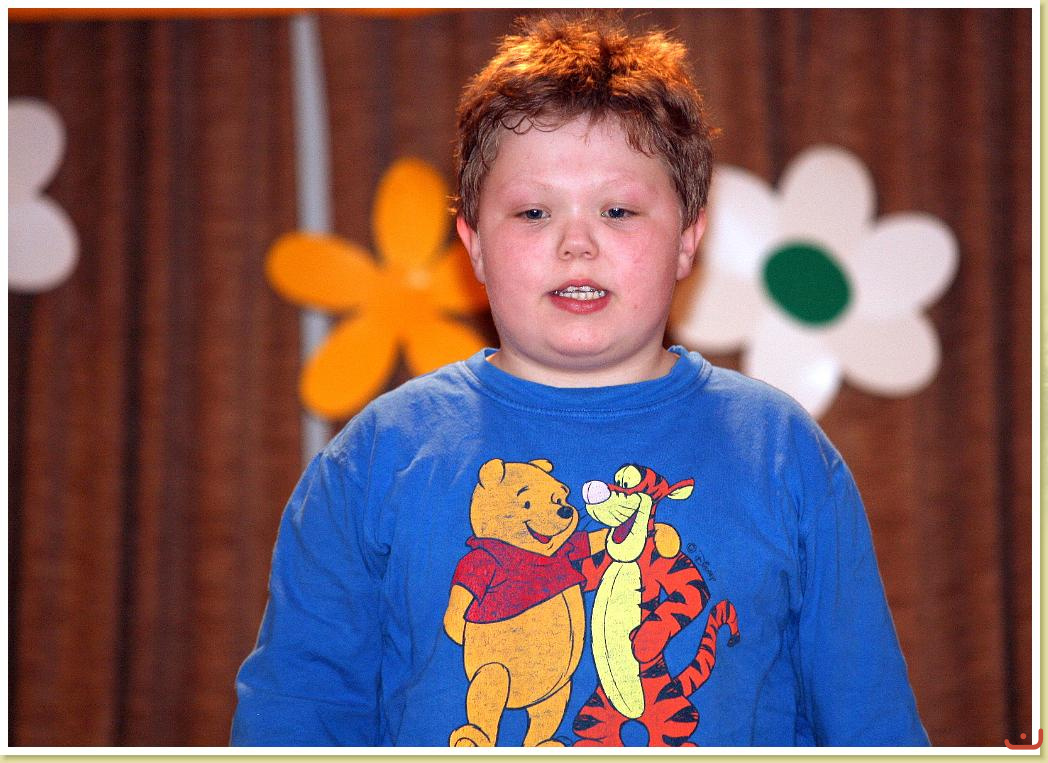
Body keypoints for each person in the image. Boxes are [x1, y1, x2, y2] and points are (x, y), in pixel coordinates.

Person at [231, 12, 928, 747]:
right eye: (533, 212)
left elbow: (871, 723)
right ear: (473, 244)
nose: (576, 243)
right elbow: (294, 719)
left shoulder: (782, 450)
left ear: (689, 238)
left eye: (618, 210)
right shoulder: (376, 458)